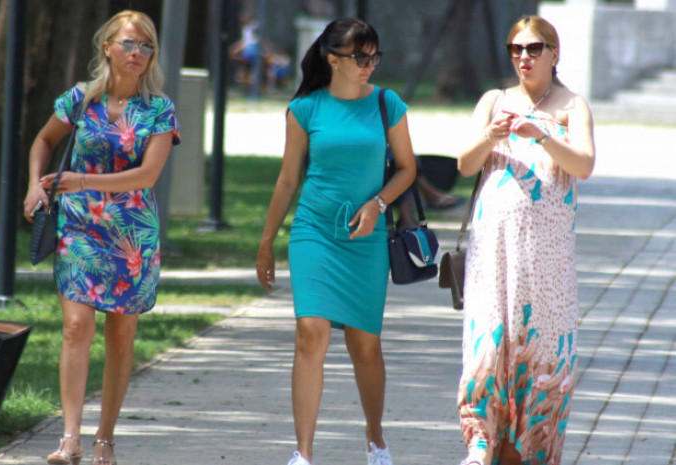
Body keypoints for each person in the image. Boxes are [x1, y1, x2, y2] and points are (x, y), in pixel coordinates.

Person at [255, 18, 416, 465]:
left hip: (366, 237)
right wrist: (266, 242)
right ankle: (303, 453)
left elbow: (407, 168)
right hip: (314, 232)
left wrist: (378, 205)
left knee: (365, 345)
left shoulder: (387, 104)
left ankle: (375, 437)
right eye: (359, 57)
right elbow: (288, 180)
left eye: (374, 56)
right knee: (311, 332)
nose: (369, 65)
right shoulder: (305, 109)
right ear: (333, 60)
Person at [22, 10, 179, 465]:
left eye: (146, 46)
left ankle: (104, 438)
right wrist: (35, 185)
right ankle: (70, 437)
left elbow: (147, 176)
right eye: (129, 43)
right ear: (107, 47)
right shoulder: (80, 99)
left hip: (132, 235)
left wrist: (81, 181)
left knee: (121, 334)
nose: (137, 53)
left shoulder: (159, 109)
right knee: (76, 327)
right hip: (78, 227)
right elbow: (43, 141)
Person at [454, 15, 595, 465]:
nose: (524, 57)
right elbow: (465, 165)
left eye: (534, 48)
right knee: (488, 347)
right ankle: (479, 443)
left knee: (540, 356)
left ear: (554, 54)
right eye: (516, 49)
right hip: (493, 251)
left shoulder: (572, 106)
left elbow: (584, 165)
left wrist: (542, 135)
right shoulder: (494, 101)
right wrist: (491, 134)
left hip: (546, 259)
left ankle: (526, 452)